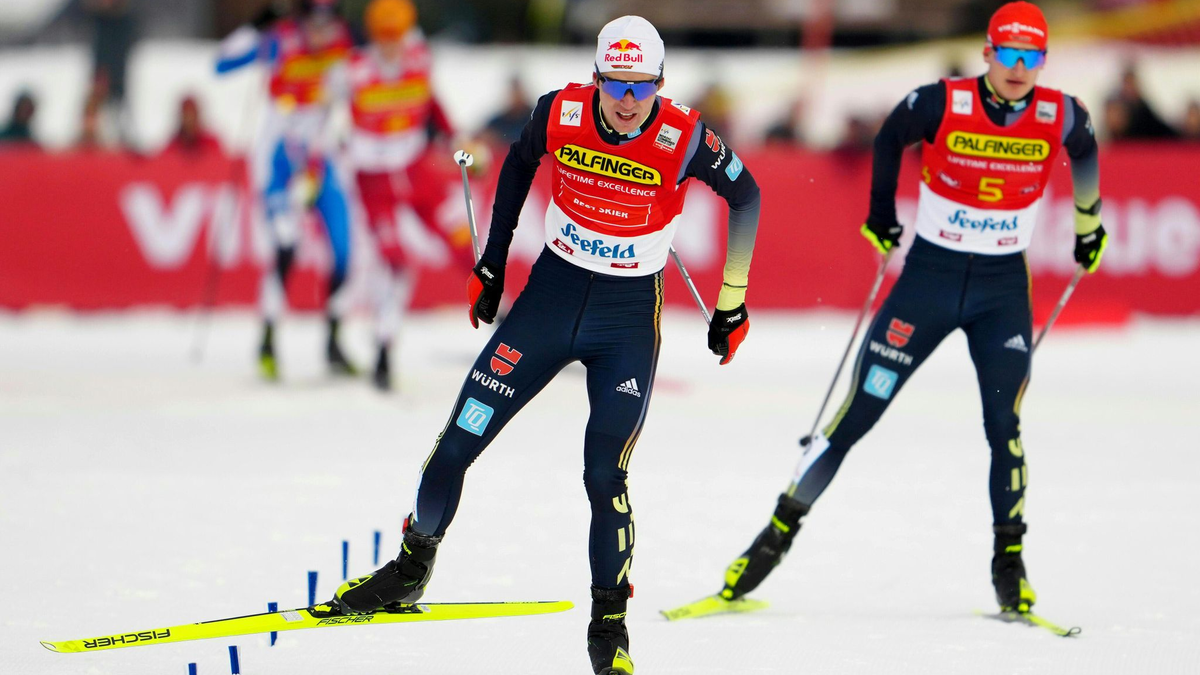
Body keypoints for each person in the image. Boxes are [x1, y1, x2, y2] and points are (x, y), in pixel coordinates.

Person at [321, 15, 761, 675]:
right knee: (458, 440)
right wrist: (492, 263)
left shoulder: (684, 135)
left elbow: (747, 196)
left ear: (660, 83)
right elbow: (520, 162)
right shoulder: (560, 113)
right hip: (549, 302)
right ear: (596, 77)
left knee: (604, 473)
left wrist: (732, 299)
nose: (627, 100)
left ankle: (609, 625)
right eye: (615, 83)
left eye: (641, 86)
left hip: (625, 319)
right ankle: (411, 568)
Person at [707, 1, 1107, 619]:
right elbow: (890, 134)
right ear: (988, 53)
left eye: (1031, 57)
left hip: (1001, 291)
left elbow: (1085, 150)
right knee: (856, 415)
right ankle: (773, 538)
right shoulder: (944, 102)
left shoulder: (1061, 112)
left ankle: (1009, 565)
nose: (1018, 67)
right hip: (930, 281)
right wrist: (880, 213)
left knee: (1005, 427)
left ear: (1043, 61)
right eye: (1008, 53)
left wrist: (1088, 223)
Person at [216, 0, 357, 380]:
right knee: (286, 247)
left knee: (344, 253)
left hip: (321, 160)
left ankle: (333, 343)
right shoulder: (281, 40)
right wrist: (254, 27)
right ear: (301, 19)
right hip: (278, 163)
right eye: (314, 22)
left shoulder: (343, 42)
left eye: (329, 23)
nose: (321, 32)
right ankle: (267, 341)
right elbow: (222, 65)